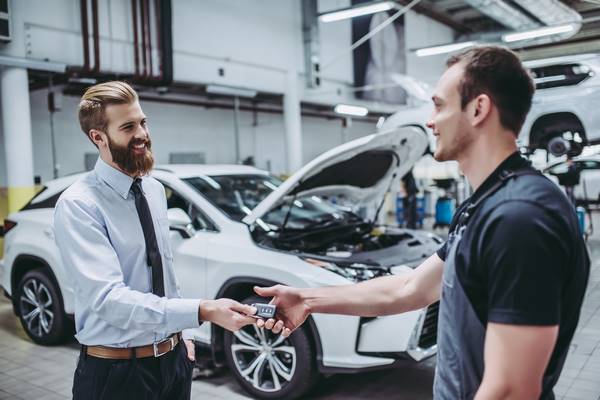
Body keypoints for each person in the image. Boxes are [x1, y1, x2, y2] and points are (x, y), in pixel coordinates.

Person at [255, 46, 590, 399]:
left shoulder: (520, 218)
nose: (430, 120)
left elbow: (510, 390)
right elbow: (409, 289)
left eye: (439, 105)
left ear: (478, 108)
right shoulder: (485, 205)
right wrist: (307, 300)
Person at [53, 81, 282, 400]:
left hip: (173, 362)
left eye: (143, 122)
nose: (143, 134)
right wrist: (202, 310)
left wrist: (182, 335)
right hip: (117, 374)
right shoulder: (80, 205)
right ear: (98, 137)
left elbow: (164, 274)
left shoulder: (154, 190)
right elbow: (108, 300)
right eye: (128, 126)